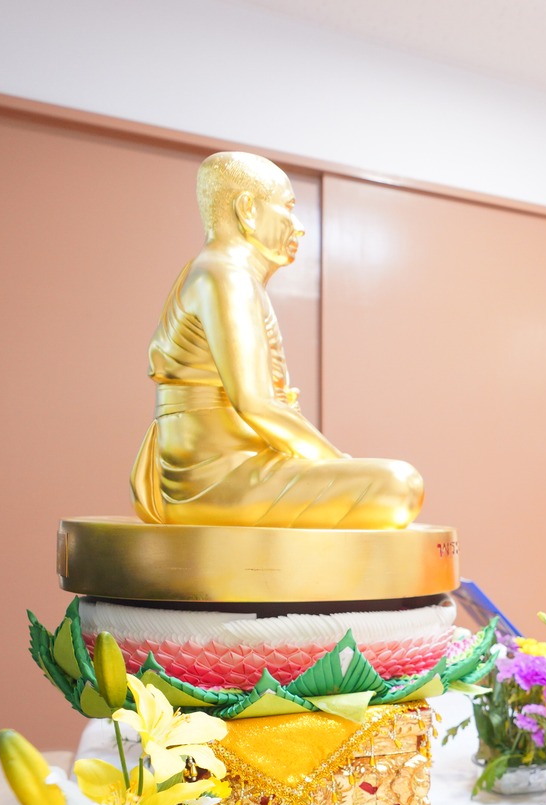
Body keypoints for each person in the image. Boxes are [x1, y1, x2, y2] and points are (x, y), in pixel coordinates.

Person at [134, 152, 423, 529]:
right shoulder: (225, 276)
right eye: (288, 208)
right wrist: (336, 463)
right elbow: (256, 403)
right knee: (400, 485)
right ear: (248, 209)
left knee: (388, 483)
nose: (298, 226)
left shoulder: (217, 273)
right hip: (216, 480)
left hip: (241, 465)